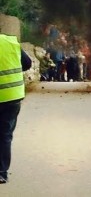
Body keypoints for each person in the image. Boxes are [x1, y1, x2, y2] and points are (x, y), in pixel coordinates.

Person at [0, 34, 32, 184]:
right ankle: (1, 173)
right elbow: (27, 64)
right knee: (5, 136)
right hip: (12, 97)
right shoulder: (10, 42)